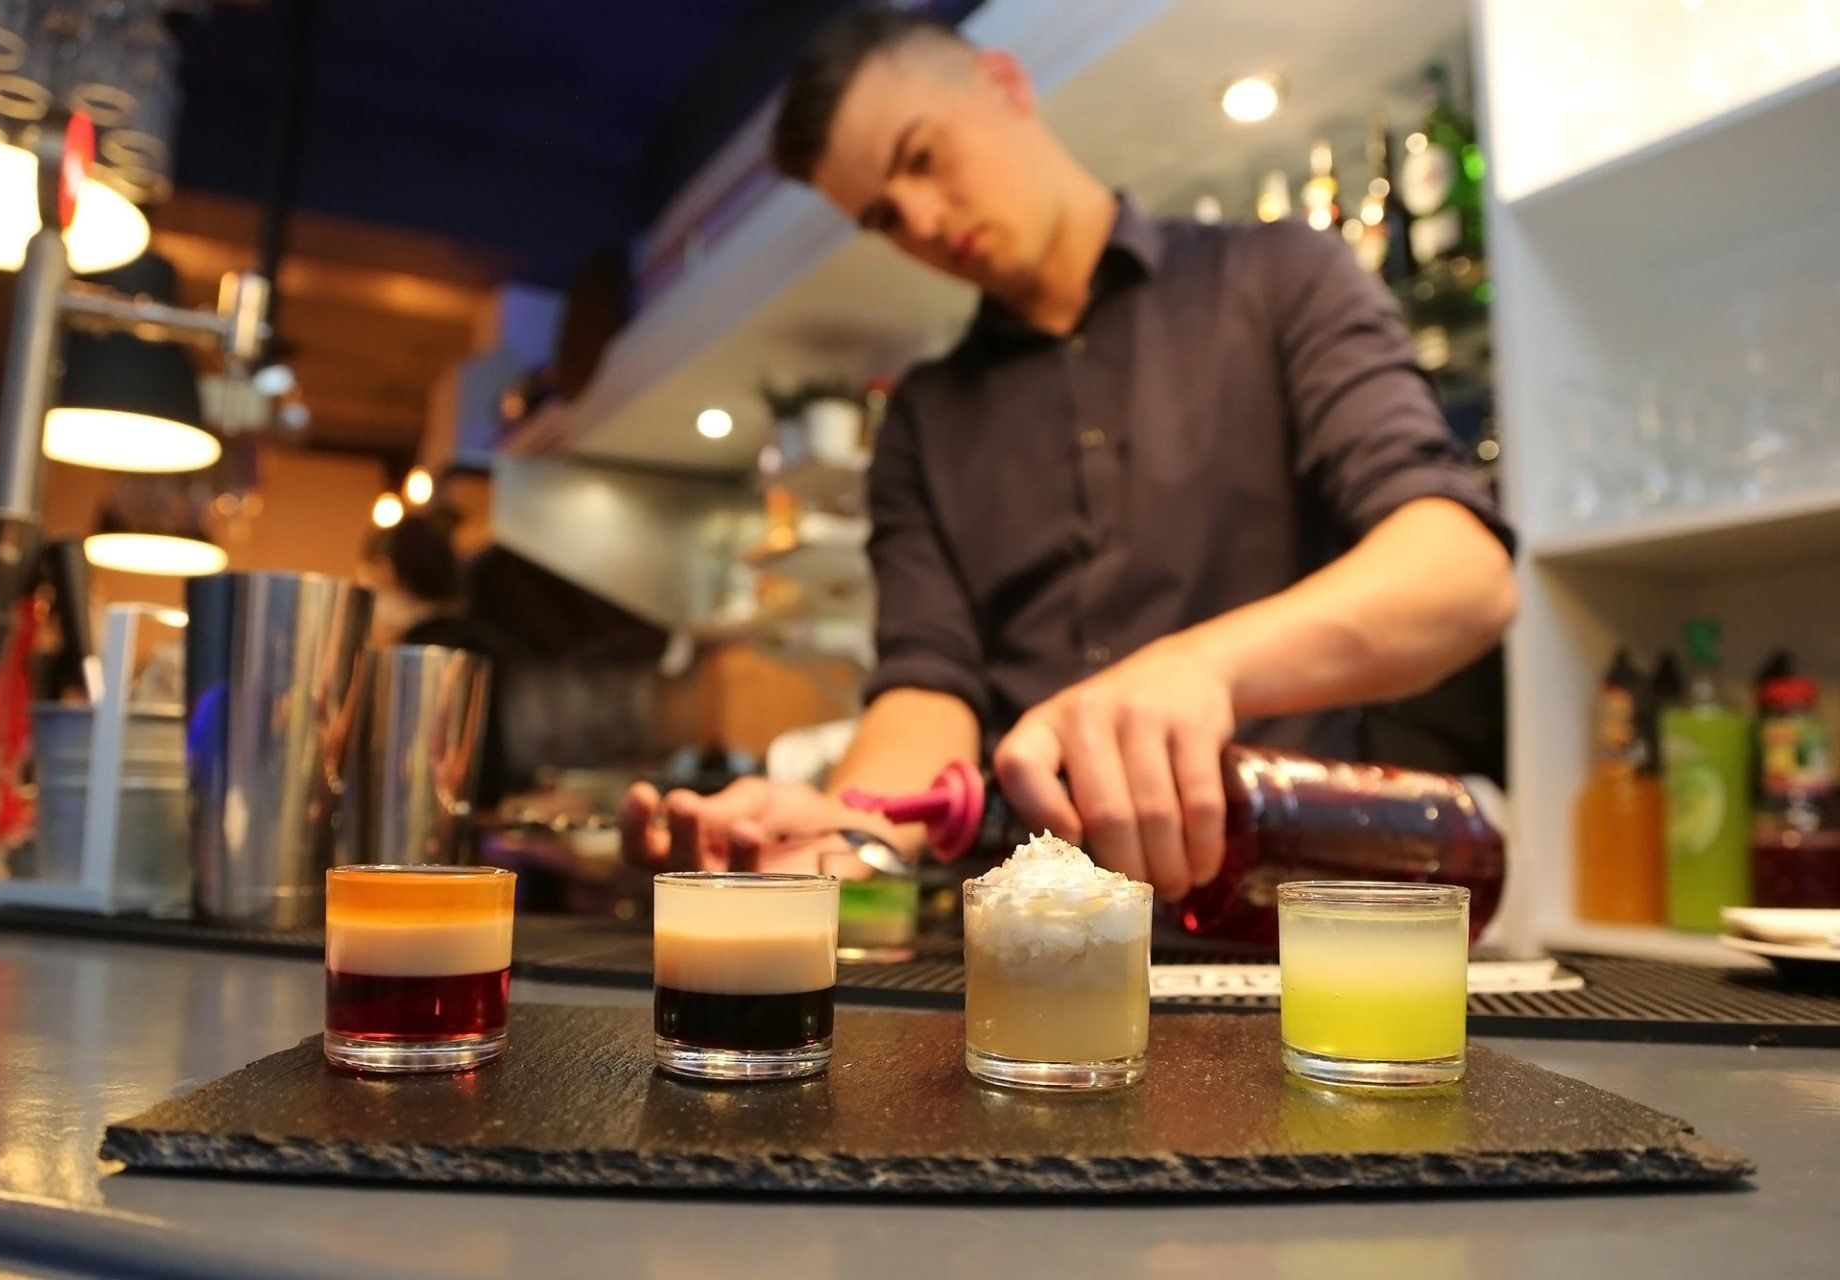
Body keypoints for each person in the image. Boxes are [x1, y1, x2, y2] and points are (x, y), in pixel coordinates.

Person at [620, 8, 1516, 903]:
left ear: (1006, 86)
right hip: (1030, 932)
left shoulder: (1280, 278)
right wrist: (837, 832)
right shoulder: (924, 421)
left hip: (1277, 906)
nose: (925, 221)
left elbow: (1459, 575)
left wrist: (1200, 667)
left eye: (924, 157)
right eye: (885, 215)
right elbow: (927, 688)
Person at [360, 512, 513, 810]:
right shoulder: (475, 640)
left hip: (430, 822)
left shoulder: (418, 656)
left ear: (386, 572)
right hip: (472, 815)